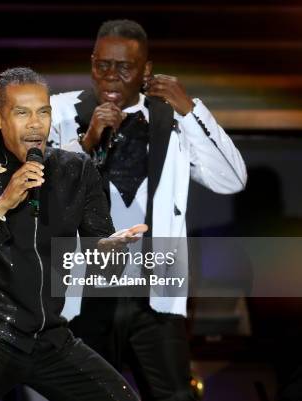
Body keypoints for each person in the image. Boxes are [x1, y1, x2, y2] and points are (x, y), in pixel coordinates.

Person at [49, 19, 248, 401]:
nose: (110, 76)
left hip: (155, 291)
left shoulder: (172, 117)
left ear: (146, 70)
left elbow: (231, 179)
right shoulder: (62, 111)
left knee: (175, 395)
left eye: (123, 67)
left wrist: (191, 110)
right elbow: (42, 188)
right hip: (84, 289)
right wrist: (86, 143)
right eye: (101, 64)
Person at [0, 67, 145, 401]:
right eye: (22, 113)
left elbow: (103, 266)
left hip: (50, 338)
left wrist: (111, 250)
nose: (35, 124)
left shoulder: (76, 170)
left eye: (43, 112)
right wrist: (0, 207)